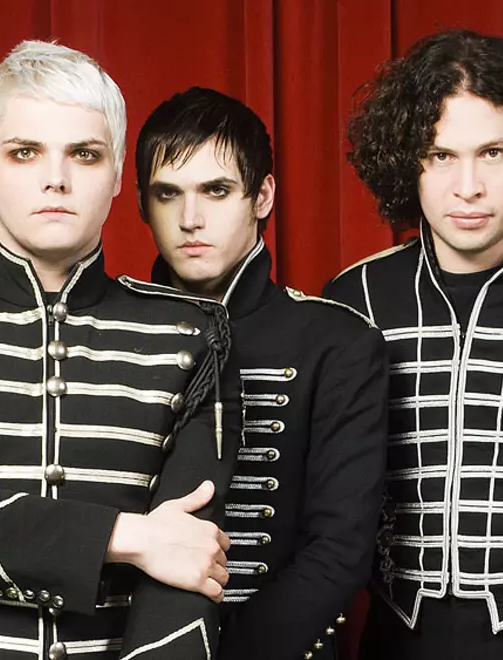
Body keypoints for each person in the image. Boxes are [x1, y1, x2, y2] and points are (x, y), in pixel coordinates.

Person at [0, 41, 239, 660]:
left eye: (85, 154)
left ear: (117, 178)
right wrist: (127, 536)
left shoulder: (195, 333)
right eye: (25, 152)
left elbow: (188, 565)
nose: (56, 177)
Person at [324, 29, 503, 658]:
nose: (468, 186)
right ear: (406, 161)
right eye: (439, 155)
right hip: (394, 642)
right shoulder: (356, 297)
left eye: (493, 153)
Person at [137, 86, 388, 660]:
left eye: (217, 190)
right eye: (168, 193)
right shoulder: (109, 333)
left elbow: (340, 549)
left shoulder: (337, 342)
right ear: (143, 205)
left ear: (263, 196)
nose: (190, 219)